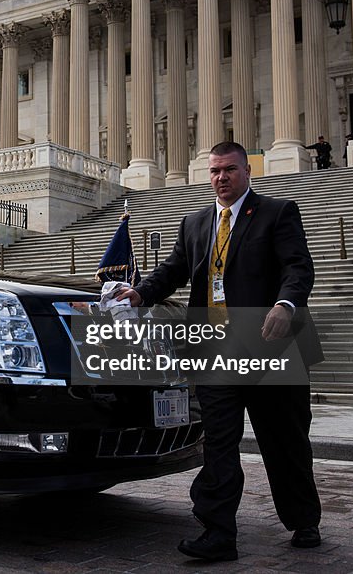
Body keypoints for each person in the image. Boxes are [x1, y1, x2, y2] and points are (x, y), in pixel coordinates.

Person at [115, 141, 323, 562]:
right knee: (220, 445)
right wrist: (140, 293)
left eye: (229, 169)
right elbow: (172, 270)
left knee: (285, 441)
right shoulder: (194, 222)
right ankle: (218, 532)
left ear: (247, 171)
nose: (221, 178)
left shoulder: (277, 212)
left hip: (269, 347)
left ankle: (304, 519)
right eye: (214, 171)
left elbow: (298, 267)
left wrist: (286, 305)